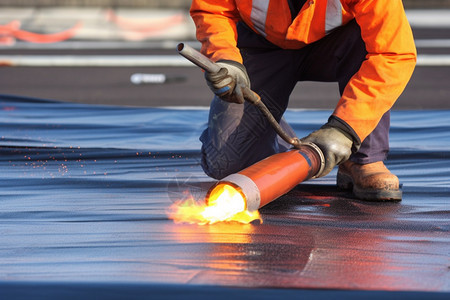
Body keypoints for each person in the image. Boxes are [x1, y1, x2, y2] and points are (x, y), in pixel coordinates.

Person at [191, 0, 416, 201]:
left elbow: (391, 54)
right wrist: (224, 57)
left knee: (370, 43)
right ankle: (277, 139)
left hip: (340, 42)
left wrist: (347, 129)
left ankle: (363, 158)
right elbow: (213, 8)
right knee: (228, 163)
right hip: (261, 45)